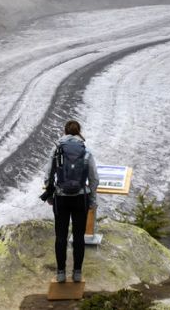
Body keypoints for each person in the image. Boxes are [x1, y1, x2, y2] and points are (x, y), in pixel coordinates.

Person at [40, 120, 99, 283]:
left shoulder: (57, 150)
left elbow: (48, 175)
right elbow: (94, 178)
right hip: (81, 198)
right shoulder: (86, 151)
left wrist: (51, 196)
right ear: (79, 131)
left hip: (61, 199)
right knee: (79, 236)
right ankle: (77, 273)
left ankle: (60, 273)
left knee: (61, 236)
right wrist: (92, 200)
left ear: (64, 132)